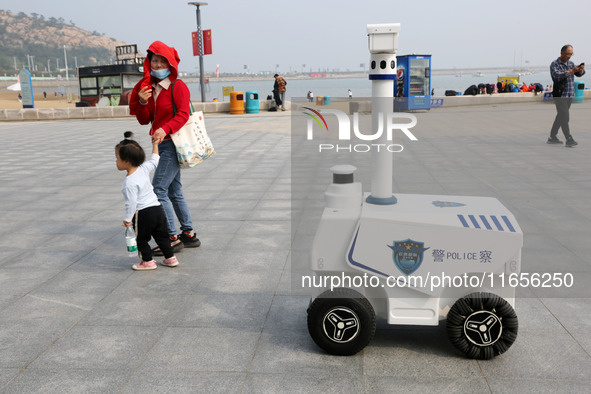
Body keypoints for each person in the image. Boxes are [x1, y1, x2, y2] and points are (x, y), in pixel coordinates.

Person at [129, 41, 201, 255]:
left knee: (158, 189)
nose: (158, 65)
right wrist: (142, 103)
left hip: (171, 143)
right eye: (154, 61)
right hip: (161, 144)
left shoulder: (178, 87)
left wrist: (164, 129)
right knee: (174, 190)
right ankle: (188, 234)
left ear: (171, 64)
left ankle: (172, 238)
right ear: (148, 64)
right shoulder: (149, 89)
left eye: (162, 61)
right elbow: (144, 120)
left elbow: (183, 115)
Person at [116, 132, 179, 270]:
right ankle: (170, 258)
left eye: (117, 158)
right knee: (162, 236)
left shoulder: (129, 183)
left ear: (126, 161)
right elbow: (155, 160)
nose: (116, 162)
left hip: (143, 213)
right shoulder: (143, 168)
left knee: (141, 239)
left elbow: (131, 203)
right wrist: (155, 145)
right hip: (157, 209)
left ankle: (147, 261)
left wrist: (128, 219)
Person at [548, 44, 585, 147]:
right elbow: (556, 76)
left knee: (560, 116)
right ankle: (569, 139)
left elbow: (577, 74)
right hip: (560, 94)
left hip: (569, 94)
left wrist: (580, 70)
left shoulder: (571, 63)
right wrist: (570, 71)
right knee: (565, 117)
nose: (569, 56)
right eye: (567, 54)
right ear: (561, 53)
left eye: (571, 54)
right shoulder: (554, 64)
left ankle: (552, 137)